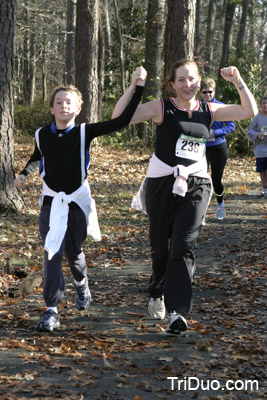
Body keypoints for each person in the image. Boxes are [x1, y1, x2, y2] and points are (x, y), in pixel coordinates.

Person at [112, 60, 258, 335]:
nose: (188, 85)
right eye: (181, 80)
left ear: (199, 81)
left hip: (197, 184)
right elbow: (120, 117)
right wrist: (133, 86)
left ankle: (177, 312)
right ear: (172, 84)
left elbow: (248, 110)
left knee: (183, 246)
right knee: (160, 247)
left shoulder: (209, 109)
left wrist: (238, 81)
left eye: (192, 80)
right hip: (161, 182)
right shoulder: (161, 107)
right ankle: (157, 290)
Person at [14, 66, 147, 332]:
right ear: (52, 108)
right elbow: (36, 156)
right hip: (51, 201)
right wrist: (24, 174)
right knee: (52, 252)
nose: (63, 106)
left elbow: (121, 122)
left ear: (77, 109)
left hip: (76, 201)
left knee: (74, 253)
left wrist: (137, 87)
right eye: (58, 102)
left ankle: (81, 282)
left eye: (69, 103)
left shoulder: (85, 132)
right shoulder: (42, 134)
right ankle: (51, 309)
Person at [200, 78, 235, 220]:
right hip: (201, 148)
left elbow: (231, 126)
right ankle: (200, 211)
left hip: (218, 147)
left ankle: (220, 204)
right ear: (200, 92)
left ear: (214, 91)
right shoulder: (196, 107)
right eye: (205, 92)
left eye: (210, 91)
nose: (208, 94)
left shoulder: (221, 107)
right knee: (200, 179)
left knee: (216, 179)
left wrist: (215, 133)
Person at [246, 96, 267, 198]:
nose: (265, 105)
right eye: (263, 103)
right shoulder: (257, 118)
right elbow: (249, 132)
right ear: (260, 105)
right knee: (262, 170)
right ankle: (265, 189)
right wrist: (257, 135)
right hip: (261, 149)